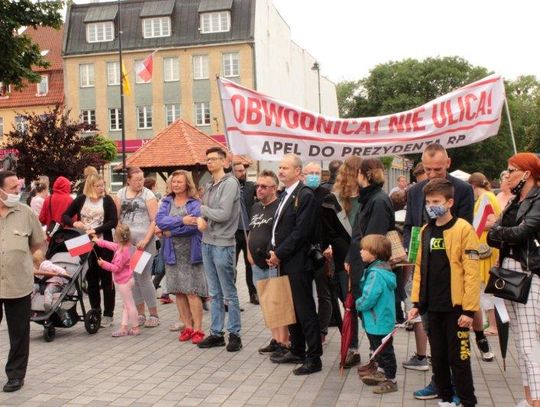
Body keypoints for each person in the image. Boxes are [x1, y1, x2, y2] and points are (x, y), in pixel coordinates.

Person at [402, 143, 481, 401]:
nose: (433, 173)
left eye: (437, 168)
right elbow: (411, 226)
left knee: (456, 348)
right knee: (434, 336)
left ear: (448, 163)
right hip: (426, 277)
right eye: (427, 169)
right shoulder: (414, 192)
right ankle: (440, 383)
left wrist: (469, 307)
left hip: (452, 280)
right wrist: (410, 253)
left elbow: (466, 233)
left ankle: (459, 390)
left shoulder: (462, 190)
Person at [487, 152, 540, 407]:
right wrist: (499, 232)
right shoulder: (515, 201)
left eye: (511, 170)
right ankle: (529, 398)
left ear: (527, 173)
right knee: (519, 339)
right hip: (509, 274)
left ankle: (537, 400)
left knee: (530, 341)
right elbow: (493, 233)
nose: (507, 175)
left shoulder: (538, 199)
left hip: (529, 274)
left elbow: (522, 232)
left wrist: (498, 232)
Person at [267, 154, 322, 375]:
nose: (281, 171)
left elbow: (301, 232)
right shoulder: (285, 194)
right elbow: (281, 227)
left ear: (298, 172)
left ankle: (314, 357)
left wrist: (278, 253)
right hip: (284, 260)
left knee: (305, 309)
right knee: (290, 309)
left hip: (297, 261)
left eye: (285, 168)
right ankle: (297, 349)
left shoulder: (304, 194)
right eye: (279, 167)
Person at [345, 158, 395, 371]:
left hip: (370, 267)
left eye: (357, 173)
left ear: (364, 175)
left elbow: (373, 239)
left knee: (375, 321)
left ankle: (384, 367)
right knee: (369, 320)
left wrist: (362, 262)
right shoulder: (368, 198)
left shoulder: (378, 200)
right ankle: (376, 360)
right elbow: (357, 233)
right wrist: (349, 258)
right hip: (360, 263)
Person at [0, 170, 45, 392]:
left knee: (18, 333)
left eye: (18, 188)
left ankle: (16, 375)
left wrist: (35, 259)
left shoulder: (26, 212)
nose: (18, 192)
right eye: (13, 189)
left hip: (18, 283)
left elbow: (39, 243)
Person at [196, 147, 242, 352]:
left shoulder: (230, 183)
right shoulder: (209, 184)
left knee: (228, 293)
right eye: (207, 159)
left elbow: (223, 214)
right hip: (207, 241)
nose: (210, 162)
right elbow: (208, 214)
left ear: (224, 162)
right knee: (214, 292)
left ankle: (235, 334)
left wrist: (202, 211)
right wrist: (200, 218)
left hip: (223, 243)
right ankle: (216, 333)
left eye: (214, 159)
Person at [155, 170, 207, 344]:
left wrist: (170, 231)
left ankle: (198, 328)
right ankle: (187, 327)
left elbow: (194, 227)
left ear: (187, 184)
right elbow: (160, 221)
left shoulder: (194, 203)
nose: (176, 184)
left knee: (192, 291)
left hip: (190, 253)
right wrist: (182, 221)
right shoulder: (166, 201)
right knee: (178, 291)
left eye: (179, 182)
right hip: (172, 253)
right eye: (174, 182)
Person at [322, 155, 362, 367]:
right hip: (341, 259)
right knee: (348, 305)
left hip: (365, 258)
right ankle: (352, 347)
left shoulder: (368, 198)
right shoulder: (334, 199)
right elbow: (330, 231)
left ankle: (376, 348)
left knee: (364, 305)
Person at [63, 173, 118, 328]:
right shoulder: (81, 199)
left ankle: (109, 313)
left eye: (103, 185)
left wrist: (95, 229)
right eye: (98, 185)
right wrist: (75, 224)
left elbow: (113, 221)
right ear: (90, 186)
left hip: (103, 242)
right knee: (91, 278)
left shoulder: (107, 200)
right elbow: (65, 216)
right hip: (83, 243)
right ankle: (95, 311)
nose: (102, 188)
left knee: (107, 279)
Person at [246, 170, 288, 354]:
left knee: (278, 302)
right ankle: (275, 338)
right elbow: (250, 231)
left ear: (275, 188)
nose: (259, 189)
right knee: (266, 303)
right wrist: (248, 254)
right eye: (257, 186)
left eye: (264, 186)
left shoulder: (280, 206)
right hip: (256, 263)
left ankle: (284, 341)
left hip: (273, 262)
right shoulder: (255, 207)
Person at [114, 167, 160, 328]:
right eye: (136, 179)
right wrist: (122, 237)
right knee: (132, 278)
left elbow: (154, 220)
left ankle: (153, 313)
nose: (140, 182)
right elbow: (117, 217)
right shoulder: (121, 194)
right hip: (128, 243)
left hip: (143, 243)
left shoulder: (148, 195)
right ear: (128, 180)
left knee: (144, 277)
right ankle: (140, 313)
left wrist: (146, 239)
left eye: (141, 179)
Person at [356, 234, 398, 394]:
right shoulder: (379, 269)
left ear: (374, 253)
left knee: (385, 351)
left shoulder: (376, 274)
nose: (360, 252)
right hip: (379, 319)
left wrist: (357, 304)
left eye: (364, 249)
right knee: (378, 349)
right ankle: (381, 372)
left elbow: (369, 297)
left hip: (378, 320)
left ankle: (391, 380)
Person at [468, 172, 501, 336]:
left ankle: (493, 324)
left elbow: (493, 221)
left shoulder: (485, 198)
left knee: (485, 286)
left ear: (473, 186)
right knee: (484, 286)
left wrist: (475, 225)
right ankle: (490, 323)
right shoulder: (490, 196)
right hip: (486, 246)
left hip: (485, 248)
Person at [92, 224, 140, 337]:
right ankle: (124, 327)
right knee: (126, 305)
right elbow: (110, 245)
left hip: (124, 281)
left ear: (117, 237)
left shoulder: (122, 252)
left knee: (130, 305)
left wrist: (103, 264)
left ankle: (135, 327)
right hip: (129, 278)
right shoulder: (125, 247)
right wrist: (98, 241)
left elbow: (116, 268)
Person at [302, 162, 332, 345]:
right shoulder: (300, 194)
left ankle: (322, 330)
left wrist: (331, 247)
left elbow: (333, 224)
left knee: (324, 293)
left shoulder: (327, 195)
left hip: (323, 249)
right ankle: (307, 328)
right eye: (310, 173)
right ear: (302, 175)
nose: (314, 176)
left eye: (316, 173)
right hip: (303, 251)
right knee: (304, 293)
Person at [232, 161, 258, 304]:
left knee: (250, 264)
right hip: (234, 232)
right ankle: (231, 297)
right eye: (239, 171)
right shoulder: (229, 187)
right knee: (232, 266)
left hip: (249, 232)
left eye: (243, 170)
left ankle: (253, 294)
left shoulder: (250, 186)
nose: (243, 173)